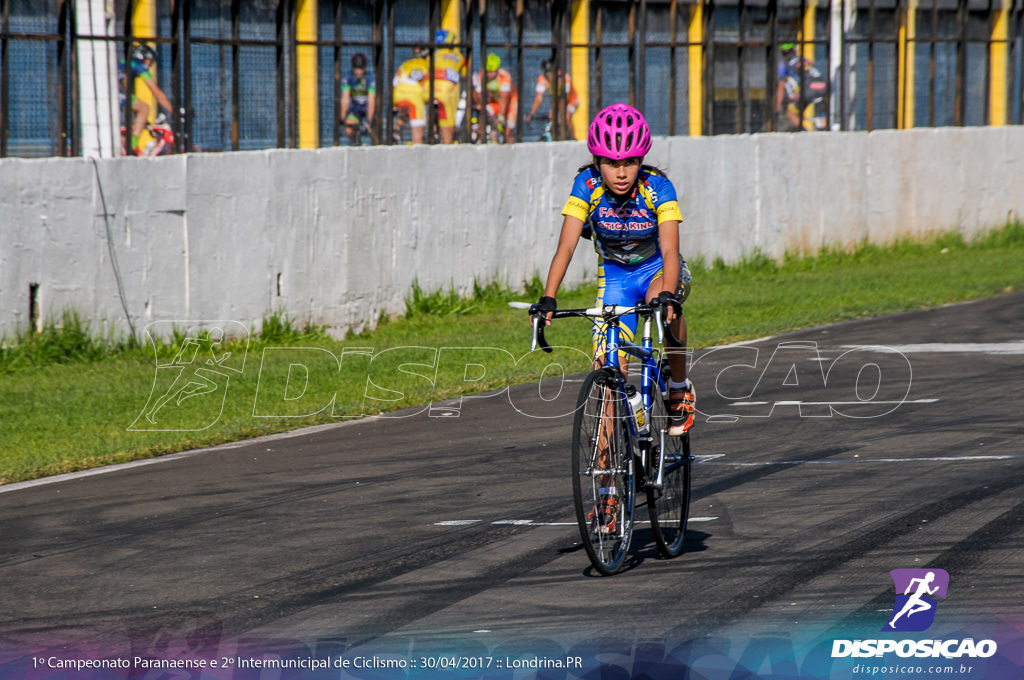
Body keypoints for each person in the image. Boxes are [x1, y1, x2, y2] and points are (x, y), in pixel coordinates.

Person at [533, 103, 695, 436]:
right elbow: (566, 246)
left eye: (630, 163)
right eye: (611, 163)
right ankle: (607, 481)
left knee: (666, 309)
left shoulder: (658, 187)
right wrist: (548, 297)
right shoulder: (586, 185)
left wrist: (667, 293)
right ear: (597, 162)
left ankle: (678, 385)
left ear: (641, 161)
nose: (621, 173)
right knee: (607, 373)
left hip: (657, 270)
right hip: (616, 278)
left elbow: (669, 249)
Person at [121, 42, 174, 156]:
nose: (150, 65)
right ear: (143, 58)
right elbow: (156, 92)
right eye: (150, 61)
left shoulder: (124, 63)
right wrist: (173, 111)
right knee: (144, 108)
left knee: (134, 124)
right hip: (115, 95)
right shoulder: (138, 65)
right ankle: (133, 147)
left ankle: (126, 145)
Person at [775, 42, 828, 131]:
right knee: (821, 113)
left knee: (790, 112)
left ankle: (804, 133)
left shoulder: (784, 65)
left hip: (807, 90)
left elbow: (781, 87)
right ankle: (825, 129)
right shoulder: (803, 59)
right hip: (823, 86)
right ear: (794, 50)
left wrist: (778, 106)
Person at [525, 58, 578, 139]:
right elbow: (538, 99)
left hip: (571, 99)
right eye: (546, 73)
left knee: (566, 118)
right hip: (557, 101)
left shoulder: (564, 77)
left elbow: (565, 98)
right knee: (552, 119)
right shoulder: (543, 78)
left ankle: (573, 138)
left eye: (551, 73)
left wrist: (560, 115)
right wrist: (531, 114)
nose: (549, 76)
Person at [471, 52, 518, 144]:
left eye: (492, 72)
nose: (489, 75)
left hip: (510, 103)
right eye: (488, 71)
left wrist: (500, 116)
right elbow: (478, 97)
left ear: (497, 70)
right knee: (484, 112)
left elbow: (505, 98)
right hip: (496, 102)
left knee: (507, 133)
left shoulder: (505, 76)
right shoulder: (481, 76)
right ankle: (488, 139)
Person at [430, 29, 465, 144]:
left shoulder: (431, 56)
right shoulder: (458, 56)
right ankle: (447, 145)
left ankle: (432, 131)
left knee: (430, 113)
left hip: (430, 91)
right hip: (448, 94)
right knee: (448, 125)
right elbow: (465, 75)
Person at [392, 46, 430, 144]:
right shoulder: (428, 65)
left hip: (399, 95)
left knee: (402, 115)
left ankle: (394, 133)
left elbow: (395, 84)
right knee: (418, 132)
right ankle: (418, 149)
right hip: (416, 98)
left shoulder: (405, 64)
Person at [341, 52, 376, 145]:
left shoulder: (370, 78)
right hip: (356, 108)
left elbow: (371, 100)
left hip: (369, 107)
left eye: (361, 69)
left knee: (373, 131)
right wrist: (343, 117)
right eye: (356, 69)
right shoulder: (348, 77)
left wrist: (369, 120)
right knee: (349, 128)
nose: (359, 72)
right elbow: (345, 98)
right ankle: (355, 143)